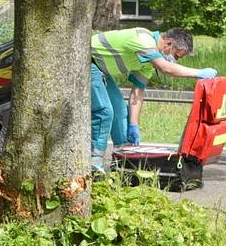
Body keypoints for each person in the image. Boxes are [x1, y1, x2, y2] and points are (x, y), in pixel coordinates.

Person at [89, 27, 217, 172]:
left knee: (120, 111)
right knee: (105, 111)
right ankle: (94, 164)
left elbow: (137, 92)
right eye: (176, 56)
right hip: (87, 61)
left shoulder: (147, 63)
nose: (174, 61)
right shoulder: (144, 40)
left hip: (101, 70)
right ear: (169, 43)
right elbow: (166, 68)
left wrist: (133, 125)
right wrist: (198, 73)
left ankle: (123, 163)